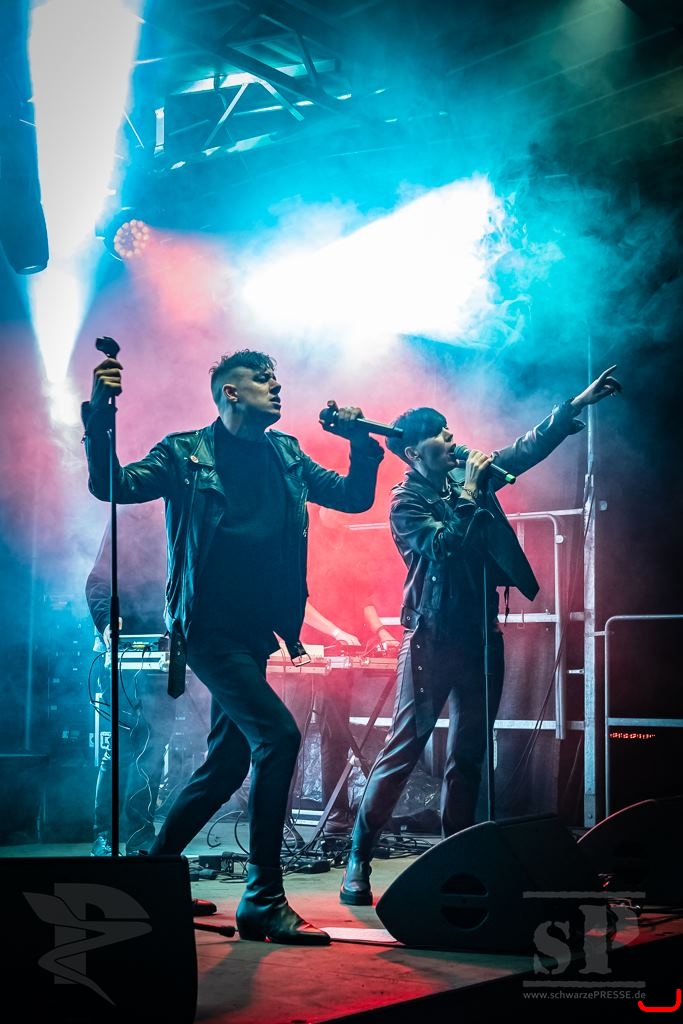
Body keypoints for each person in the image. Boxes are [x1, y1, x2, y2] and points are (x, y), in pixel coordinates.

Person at [82, 347, 383, 945]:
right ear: (231, 392)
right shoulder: (184, 453)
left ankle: (152, 879)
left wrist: (361, 443)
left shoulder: (286, 454)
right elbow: (110, 484)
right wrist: (100, 412)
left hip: (252, 634)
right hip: (206, 629)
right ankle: (262, 898)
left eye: (276, 377)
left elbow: (354, 497)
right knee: (278, 736)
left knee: (226, 763)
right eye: (262, 378)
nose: (276, 385)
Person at [339, 365, 622, 906]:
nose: (452, 439)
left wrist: (573, 406)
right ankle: (359, 855)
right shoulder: (405, 502)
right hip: (430, 638)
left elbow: (522, 450)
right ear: (414, 452)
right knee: (404, 749)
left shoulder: (462, 480)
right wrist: (470, 491)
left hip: (479, 635)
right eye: (440, 435)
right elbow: (441, 548)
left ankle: (457, 857)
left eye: (450, 430)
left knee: (468, 754)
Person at [85, 501, 177, 858]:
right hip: (124, 652)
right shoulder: (126, 519)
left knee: (153, 748)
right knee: (120, 748)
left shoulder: (181, 520)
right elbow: (97, 581)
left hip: (164, 652)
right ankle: (104, 836)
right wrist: (108, 623)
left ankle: (140, 839)